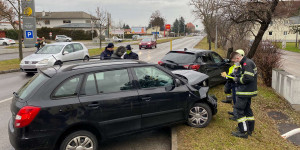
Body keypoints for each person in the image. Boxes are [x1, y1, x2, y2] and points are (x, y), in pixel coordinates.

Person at [224, 50, 257, 139]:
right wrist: (235, 77)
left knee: (238, 110)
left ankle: (243, 131)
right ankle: (249, 128)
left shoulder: (247, 64)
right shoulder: (245, 63)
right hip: (248, 91)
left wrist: (236, 80)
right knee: (247, 110)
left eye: (234, 61)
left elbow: (248, 78)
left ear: (238, 58)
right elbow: (244, 76)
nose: (234, 62)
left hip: (245, 91)